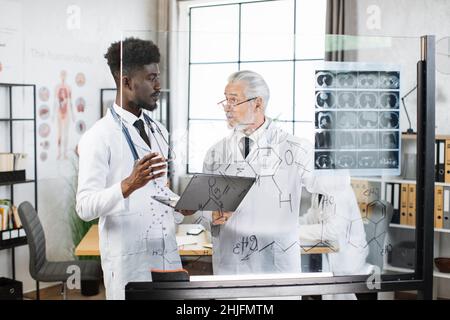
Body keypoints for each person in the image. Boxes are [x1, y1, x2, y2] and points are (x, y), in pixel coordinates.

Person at [198, 70, 366, 278]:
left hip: (275, 264)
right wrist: (210, 215)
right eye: (225, 100)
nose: (227, 108)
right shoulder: (216, 152)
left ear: (257, 104)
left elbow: (332, 183)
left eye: (234, 100)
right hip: (231, 266)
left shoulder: (296, 148)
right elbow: (203, 211)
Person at [76, 38, 192, 300]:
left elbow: (157, 191)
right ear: (127, 82)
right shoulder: (98, 137)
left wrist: (180, 205)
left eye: (158, 77)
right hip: (129, 262)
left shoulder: (159, 131)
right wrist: (128, 185)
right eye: (151, 78)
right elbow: (84, 207)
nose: (158, 86)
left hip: (166, 256)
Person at [53, 70, 74, 160]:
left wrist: (73, 114)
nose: (63, 77)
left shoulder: (68, 87)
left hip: (67, 112)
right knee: (59, 134)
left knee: (66, 134)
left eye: (64, 75)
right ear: (60, 76)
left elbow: (70, 102)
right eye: (62, 75)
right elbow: (55, 102)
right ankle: (59, 153)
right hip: (59, 112)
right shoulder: (57, 87)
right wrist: (53, 114)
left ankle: (64, 153)